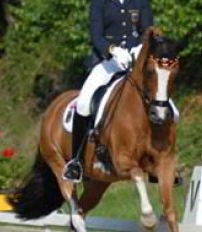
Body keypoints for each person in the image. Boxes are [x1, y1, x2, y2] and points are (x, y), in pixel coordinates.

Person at [63, 0, 175, 182]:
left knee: (167, 104)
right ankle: (77, 162)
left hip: (137, 61)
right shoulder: (99, 3)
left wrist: (141, 47)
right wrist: (112, 50)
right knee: (83, 103)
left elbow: (148, 31)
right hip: (108, 62)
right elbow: (96, 36)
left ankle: (161, 158)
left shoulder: (141, 2)